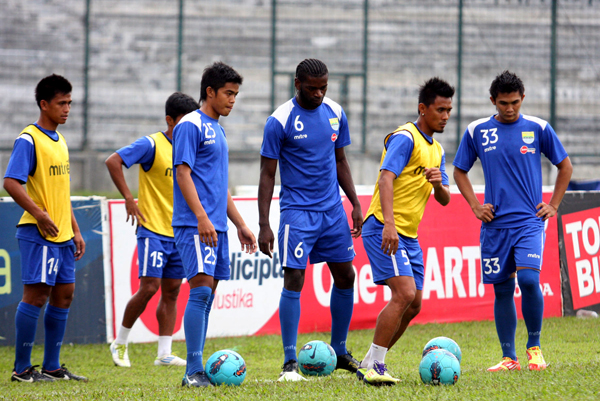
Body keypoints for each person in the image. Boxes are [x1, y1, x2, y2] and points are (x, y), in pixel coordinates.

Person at [453, 70, 572, 372]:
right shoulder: (477, 130)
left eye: (515, 103)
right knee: (502, 290)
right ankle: (509, 358)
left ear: (523, 99)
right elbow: (459, 171)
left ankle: (535, 349)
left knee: (530, 280)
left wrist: (554, 204)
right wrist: (475, 206)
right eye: (503, 103)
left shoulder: (538, 127)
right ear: (492, 100)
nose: (509, 109)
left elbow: (565, 166)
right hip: (495, 225)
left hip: (530, 222)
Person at [258, 58, 363, 382]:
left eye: (323, 87)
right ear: (297, 84)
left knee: (346, 276)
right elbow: (266, 173)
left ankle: (340, 351)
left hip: (332, 212)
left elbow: (341, 160)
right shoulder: (280, 120)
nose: (318, 94)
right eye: (312, 88)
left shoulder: (335, 113)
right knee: (294, 279)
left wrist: (355, 203)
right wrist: (264, 224)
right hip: (297, 213)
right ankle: (290, 362)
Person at [356, 78, 453, 385]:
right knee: (404, 293)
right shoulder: (405, 137)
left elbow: (445, 199)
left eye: (449, 109)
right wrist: (389, 224)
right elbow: (386, 179)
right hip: (384, 226)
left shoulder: (437, 150)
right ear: (423, 109)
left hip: (408, 234)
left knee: (415, 303)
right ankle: (377, 367)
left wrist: (437, 182)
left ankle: (370, 360)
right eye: (440, 109)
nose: (446, 116)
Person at [173, 62, 257, 388]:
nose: (232, 100)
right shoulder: (189, 125)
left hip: (216, 226)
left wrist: (239, 224)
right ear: (210, 92)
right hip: (195, 225)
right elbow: (183, 173)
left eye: (236, 94)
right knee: (200, 291)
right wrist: (201, 217)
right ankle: (192, 371)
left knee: (207, 296)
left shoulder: (219, 129)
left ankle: (197, 369)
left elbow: (219, 186)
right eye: (228, 93)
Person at [105, 92, 199, 368]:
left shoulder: (190, 147)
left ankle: (164, 353)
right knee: (149, 287)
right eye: (183, 121)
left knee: (172, 292)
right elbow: (113, 161)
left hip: (179, 232)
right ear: (170, 120)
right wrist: (128, 198)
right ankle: (120, 342)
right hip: (153, 231)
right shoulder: (152, 144)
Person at [4, 74, 87, 382]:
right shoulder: (29, 139)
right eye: (61, 103)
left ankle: (52, 366)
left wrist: (76, 230)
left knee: (64, 295)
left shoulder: (61, 141)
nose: (67, 109)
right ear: (44, 104)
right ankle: (22, 370)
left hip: (63, 235)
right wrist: (39, 214)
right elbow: (11, 182)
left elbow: (61, 193)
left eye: (69, 103)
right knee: (36, 296)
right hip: (39, 233)